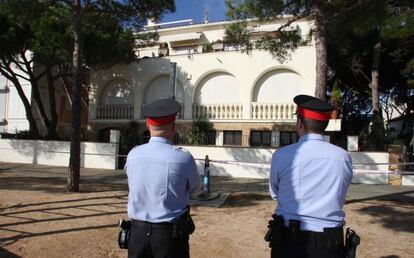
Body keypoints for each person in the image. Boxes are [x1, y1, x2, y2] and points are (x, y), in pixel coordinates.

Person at [267, 94, 353, 258]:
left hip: (289, 240)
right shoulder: (343, 157)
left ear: (300, 123)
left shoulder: (282, 155)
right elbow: (343, 189)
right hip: (329, 242)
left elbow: (275, 192)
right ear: (325, 125)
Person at [125, 98, 201, 258]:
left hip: (137, 235)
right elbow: (195, 191)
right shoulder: (183, 158)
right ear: (173, 127)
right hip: (169, 237)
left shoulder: (133, 155)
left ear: (147, 125)